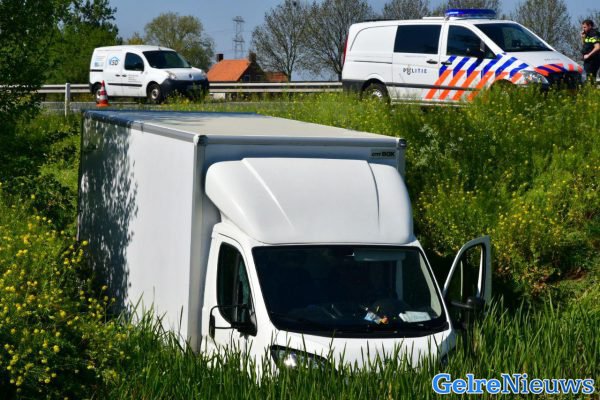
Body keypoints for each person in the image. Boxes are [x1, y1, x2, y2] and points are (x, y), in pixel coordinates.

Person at [581, 19, 600, 84]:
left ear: (590, 26)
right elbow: (585, 45)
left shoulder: (593, 34)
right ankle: (590, 88)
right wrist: (583, 37)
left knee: (590, 77)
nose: (583, 29)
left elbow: (597, 47)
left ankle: (591, 88)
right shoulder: (587, 34)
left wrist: (588, 55)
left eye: (585, 27)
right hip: (588, 59)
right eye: (583, 27)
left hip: (593, 59)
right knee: (588, 76)